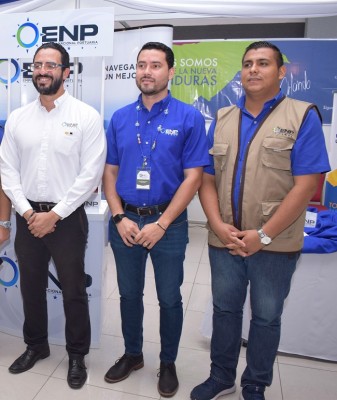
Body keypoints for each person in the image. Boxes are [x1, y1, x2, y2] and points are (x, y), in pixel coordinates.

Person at [190, 41, 330, 400]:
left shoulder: (302, 115)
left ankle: (255, 383)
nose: (253, 69)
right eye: (248, 63)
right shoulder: (222, 119)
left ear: (280, 72)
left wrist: (263, 236)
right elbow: (206, 178)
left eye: (263, 63)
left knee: (266, 318)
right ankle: (221, 377)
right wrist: (218, 225)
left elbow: (307, 185)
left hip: (274, 243)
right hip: (225, 240)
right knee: (224, 310)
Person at [103, 41, 209, 398]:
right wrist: (118, 216)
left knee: (169, 298)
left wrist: (162, 224)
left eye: (155, 65)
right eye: (141, 65)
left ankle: (167, 362)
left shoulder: (188, 117)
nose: (147, 71)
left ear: (170, 72)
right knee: (129, 295)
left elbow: (194, 176)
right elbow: (110, 171)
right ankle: (133, 355)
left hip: (170, 224)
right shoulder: (119, 118)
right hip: (126, 223)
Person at [0, 42, 106, 389]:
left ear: (66, 71)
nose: (42, 70)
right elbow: (7, 171)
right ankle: (37, 346)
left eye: (50, 65)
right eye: (37, 65)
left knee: (74, 289)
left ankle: (77, 354)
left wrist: (55, 214)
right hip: (27, 215)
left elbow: (90, 175)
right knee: (31, 286)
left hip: (67, 219)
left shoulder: (85, 116)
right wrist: (28, 211)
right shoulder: (18, 118)